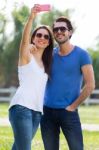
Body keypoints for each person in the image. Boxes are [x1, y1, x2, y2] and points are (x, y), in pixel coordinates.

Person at [40, 16, 95, 150]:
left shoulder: (82, 54)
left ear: (70, 32)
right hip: (47, 113)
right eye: (56, 29)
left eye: (62, 28)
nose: (59, 31)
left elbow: (90, 85)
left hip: (69, 113)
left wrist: (72, 106)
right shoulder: (49, 55)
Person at [9, 4, 53, 150]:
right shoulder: (26, 57)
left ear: (48, 42)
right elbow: (24, 41)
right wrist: (31, 18)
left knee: (19, 147)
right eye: (38, 35)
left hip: (36, 112)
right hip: (21, 108)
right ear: (33, 38)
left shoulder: (47, 63)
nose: (42, 38)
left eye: (46, 36)